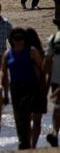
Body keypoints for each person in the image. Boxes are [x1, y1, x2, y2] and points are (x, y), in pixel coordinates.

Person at [0, 28, 44, 150]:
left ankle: (28, 144)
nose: (18, 41)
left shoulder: (31, 51)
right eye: (16, 38)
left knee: (27, 116)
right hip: (16, 89)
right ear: (11, 40)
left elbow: (42, 68)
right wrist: (1, 87)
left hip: (31, 87)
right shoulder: (8, 53)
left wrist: (43, 86)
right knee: (19, 117)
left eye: (21, 38)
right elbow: (2, 71)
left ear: (25, 40)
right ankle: (23, 142)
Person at [44, 19, 60, 147]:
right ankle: (54, 134)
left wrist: (44, 80)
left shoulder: (54, 38)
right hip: (56, 79)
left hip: (56, 79)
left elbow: (47, 61)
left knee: (57, 107)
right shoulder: (53, 38)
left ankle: (55, 133)